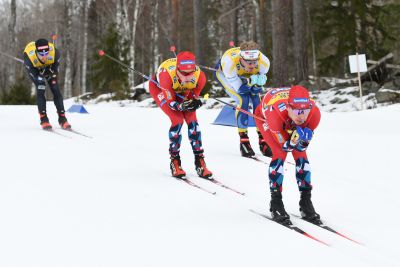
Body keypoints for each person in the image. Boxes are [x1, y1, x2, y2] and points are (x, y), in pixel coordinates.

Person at [254, 85, 322, 225]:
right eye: (297, 110)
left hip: (286, 121)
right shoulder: (275, 115)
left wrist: (303, 141)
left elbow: (302, 146)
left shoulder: (314, 114)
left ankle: (305, 200)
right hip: (266, 118)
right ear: (288, 107)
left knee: (301, 156)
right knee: (279, 154)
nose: (301, 116)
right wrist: (293, 141)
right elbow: (284, 147)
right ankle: (276, 202)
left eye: (305, 110)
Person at [149, 51, 212, 179]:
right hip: (161, 89)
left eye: (191, 73)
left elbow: (194, 96)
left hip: (182, 90)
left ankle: (200, 161)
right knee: (177, 120)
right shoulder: (166, 76)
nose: (188, 77)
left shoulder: (200, 77)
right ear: (177, 70)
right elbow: (171, 102)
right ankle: (175, 161)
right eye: (184, 73)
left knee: (192, 120)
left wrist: (194, 102)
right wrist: (180, 106)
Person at [215, 41, 272, 158]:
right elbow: (241, 89)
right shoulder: (229, 63)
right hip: (226, 75)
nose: (252, 65)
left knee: (257, 102)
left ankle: (263, 139)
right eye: (248, 62)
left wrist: (256, 85)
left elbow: (255, 91)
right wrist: (251, 82)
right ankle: (244, 141)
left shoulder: (264, 63)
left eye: (254, 61)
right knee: (243, 100)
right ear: (241, 58)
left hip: (244, 75)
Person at [23, 38, 71, 130]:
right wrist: (40, 75)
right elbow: (34, 74)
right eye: (41, 54)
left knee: (55, 89)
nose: (44, 56)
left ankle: (62, 119)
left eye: (46, 53)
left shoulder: (54, 53)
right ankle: (44, 119)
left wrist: (50, 71)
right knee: (41, 87)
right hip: (35, 69)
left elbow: (55, 70)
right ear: (37, 52)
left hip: (49, 66)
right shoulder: (29, 56)